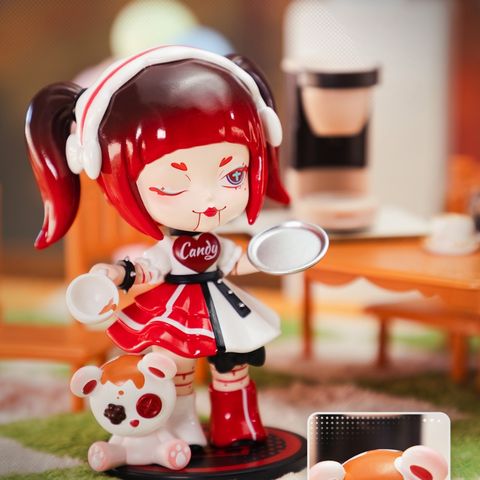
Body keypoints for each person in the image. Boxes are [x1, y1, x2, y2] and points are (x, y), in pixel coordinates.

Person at [25, 46, 290, 449]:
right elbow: (146, 268)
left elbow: (238, 260)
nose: (209, 201)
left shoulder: (217, 244)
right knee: (173, 367)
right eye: (172, 185)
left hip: (222, 306)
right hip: (173, 310)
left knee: (234, 362)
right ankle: (182, 427)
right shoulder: (166, 249)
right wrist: (117, 275)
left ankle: (237, 426)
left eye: (233, 176)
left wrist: (271, 254)